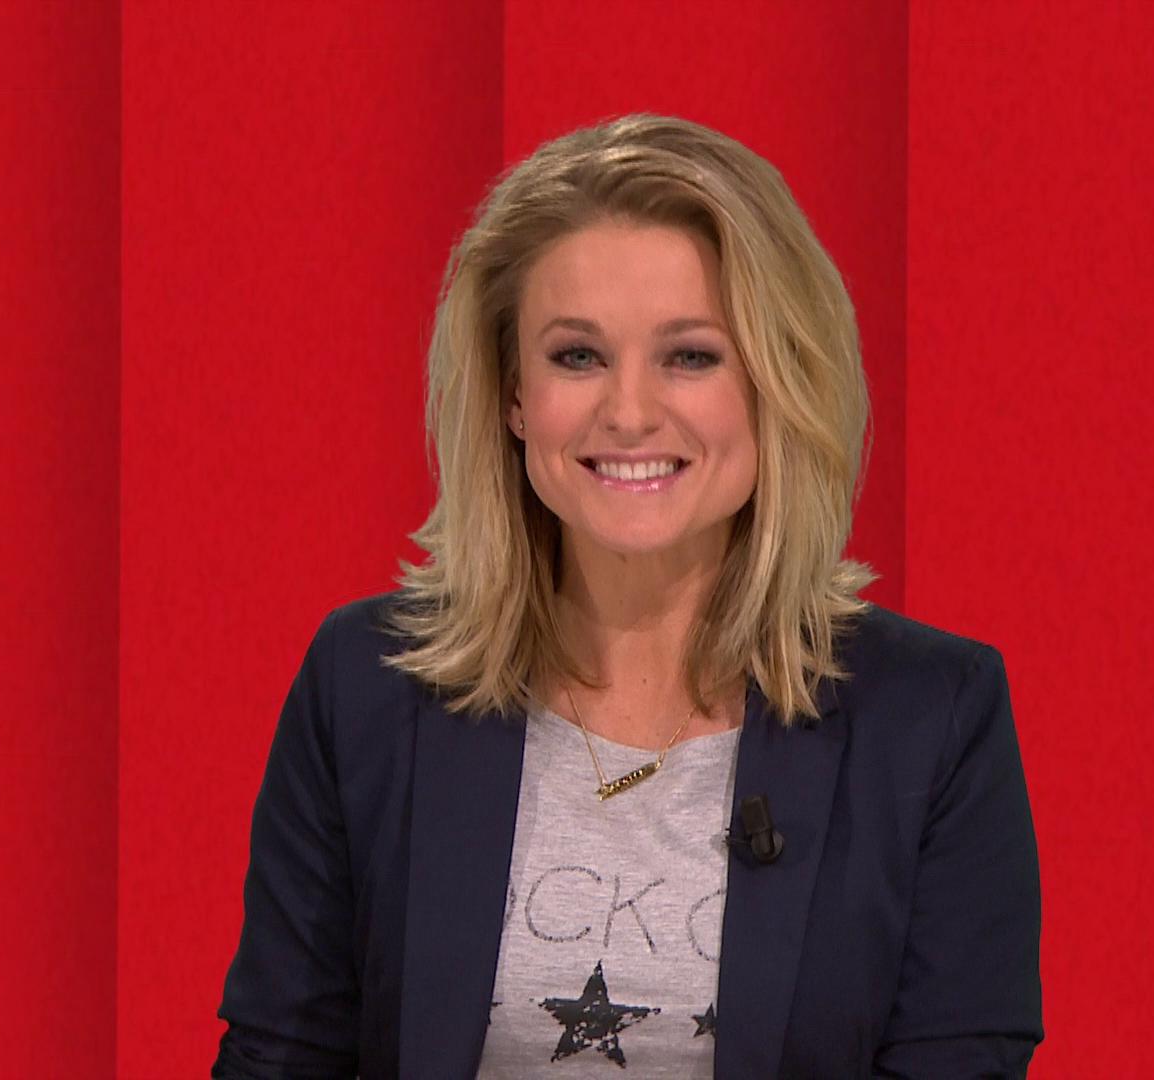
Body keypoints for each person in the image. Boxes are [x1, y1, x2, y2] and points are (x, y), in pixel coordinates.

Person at [212, 113, 1042, 1079]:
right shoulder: (367, 689)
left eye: (690, 356)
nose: (630, 412)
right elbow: (280, 1057)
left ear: (775, 383)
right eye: (578, 356)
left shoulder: (930, 719)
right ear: (514, 396)